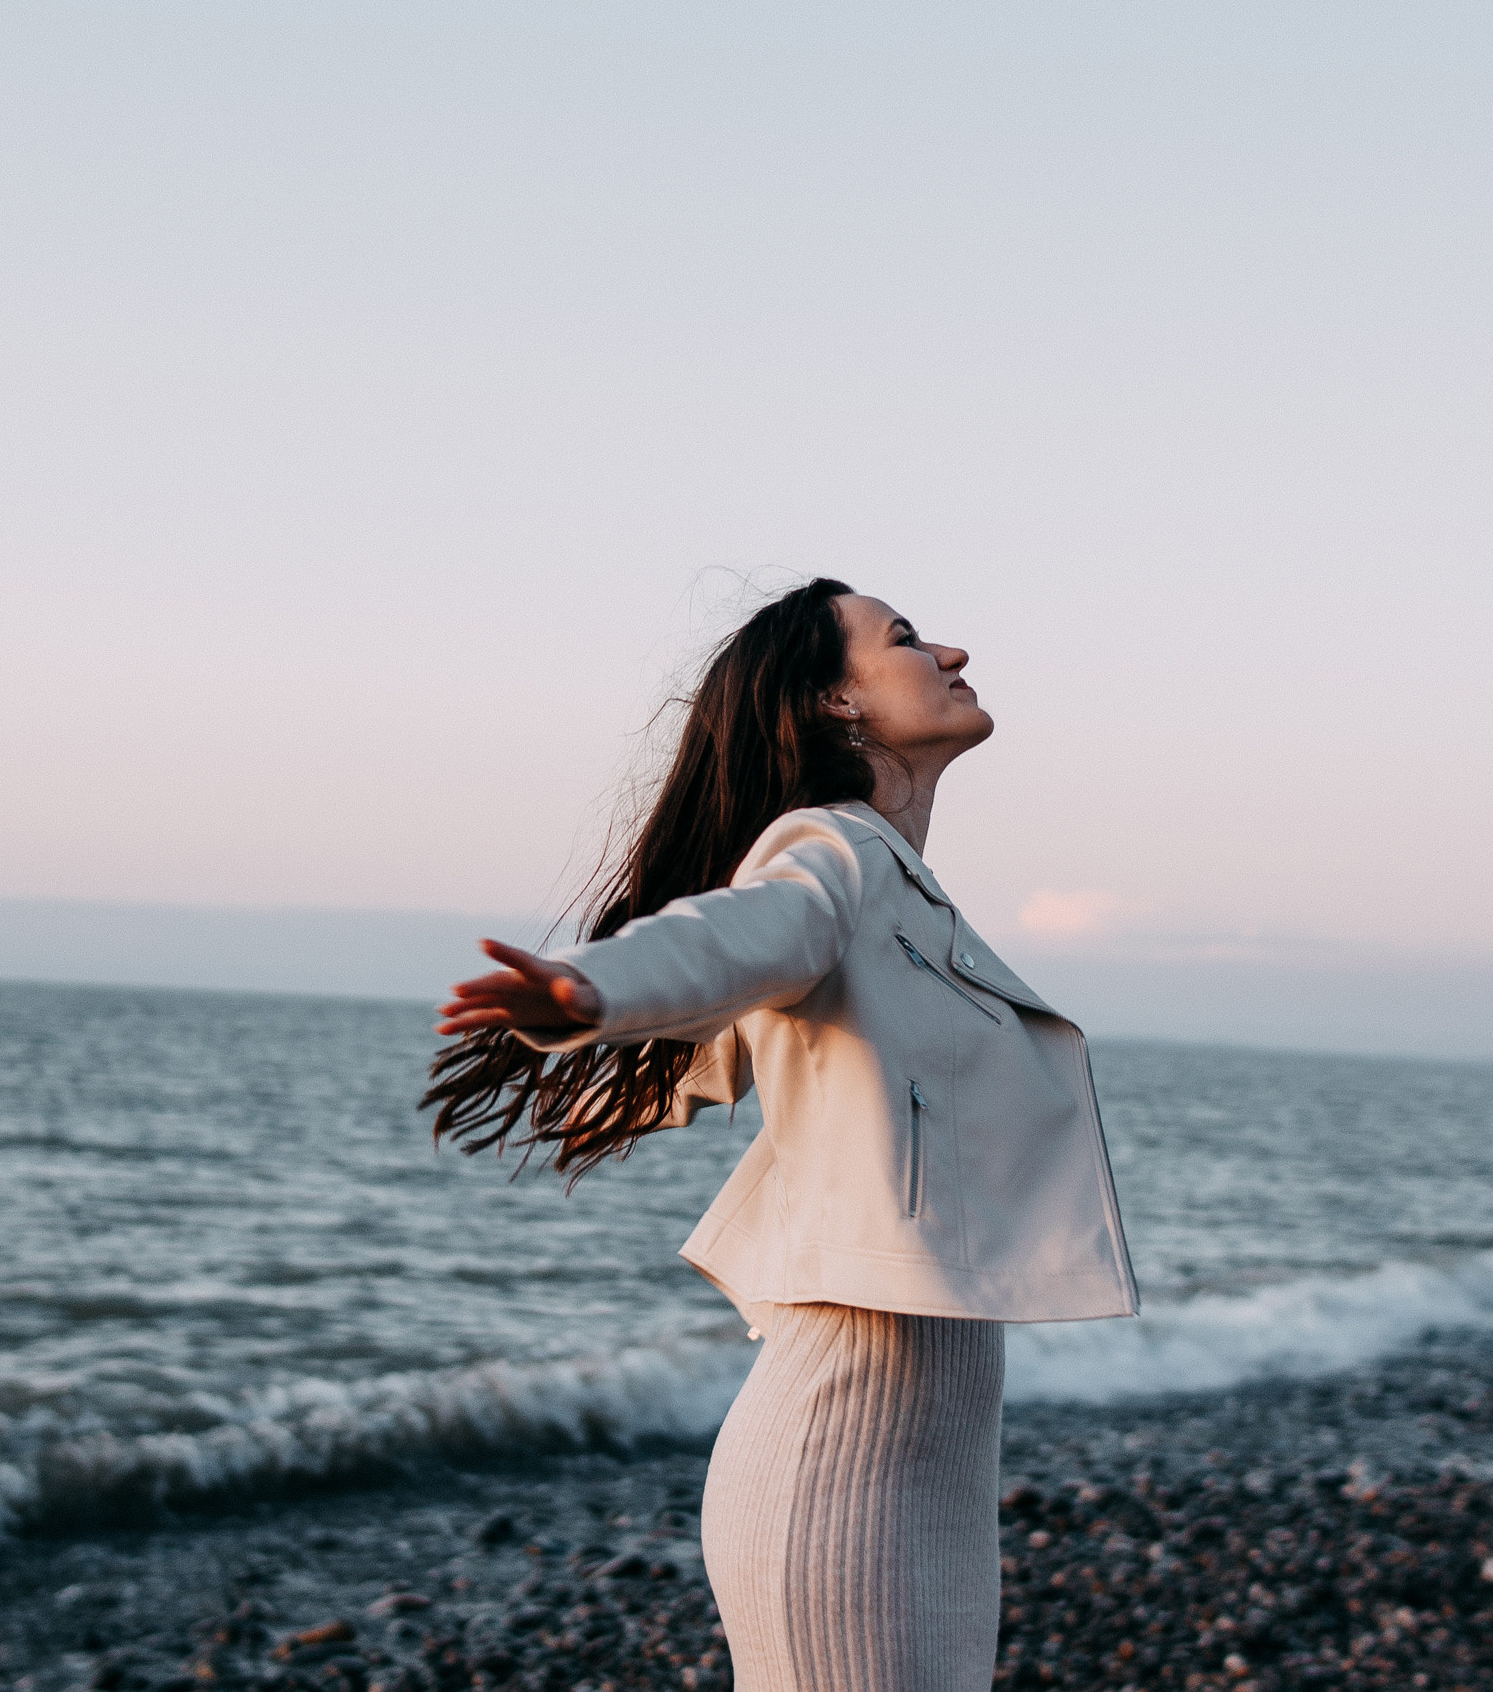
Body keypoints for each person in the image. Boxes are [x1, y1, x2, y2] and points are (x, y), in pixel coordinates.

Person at [427, 577, 1136, 1692]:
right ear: (829, 704)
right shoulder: (831, 851)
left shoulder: (906, 892)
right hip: (838, 1466)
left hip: (927, 1478)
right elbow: (743, 931)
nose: (949, 648)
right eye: (904, 638)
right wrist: (592, 991)